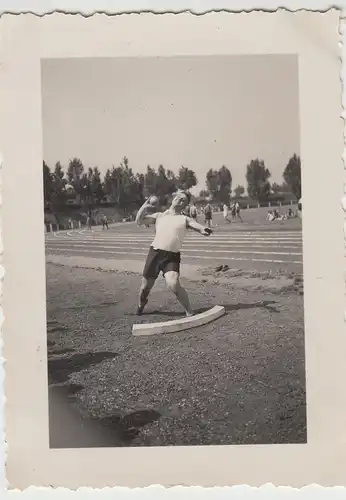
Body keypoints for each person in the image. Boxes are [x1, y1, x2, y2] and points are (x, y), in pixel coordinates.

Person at [135, 190, 212, 317]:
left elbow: (197, 225)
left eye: (184, 201)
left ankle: (189, 312)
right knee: (144, 288)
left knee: (173, 283)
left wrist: (204, 229)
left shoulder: (184, 218)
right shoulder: (159, 216)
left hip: (172, 256)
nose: (180, 200)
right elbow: (139, 221)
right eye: (179, 198)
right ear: (174, 198)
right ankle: (141, 304)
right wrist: (146, 205)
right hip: (155, 254)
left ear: (185, 205)